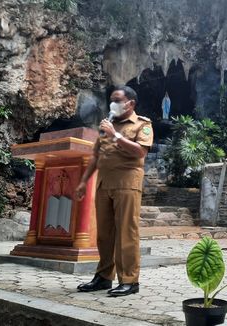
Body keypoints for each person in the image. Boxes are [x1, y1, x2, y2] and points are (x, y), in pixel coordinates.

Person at [75, 85, 153, 297]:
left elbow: (140, 152)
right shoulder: (107, 125)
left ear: (130, 103)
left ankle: (129, 280)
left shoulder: (142, 124)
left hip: (127, 184)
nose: (113, 104)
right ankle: (103, 277)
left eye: (117, 100)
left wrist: (116, 136)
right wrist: (83, 182)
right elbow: (96, 156)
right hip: (104, 184)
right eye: (111, 100)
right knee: (104, 234)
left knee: (127, 233)